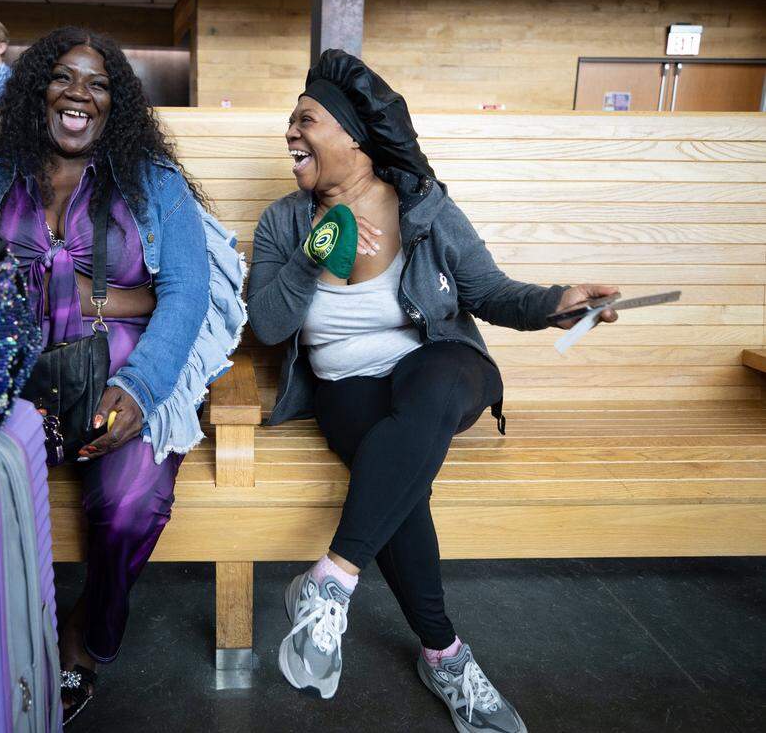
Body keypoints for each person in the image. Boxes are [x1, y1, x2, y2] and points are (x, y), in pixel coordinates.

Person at [247, 49, 618, 733]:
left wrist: (556, 303)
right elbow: (268, 323)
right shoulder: (285, 223)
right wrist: (312, 255)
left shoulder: (422, 206)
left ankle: (333, 577)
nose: (290, 133)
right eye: (290, 121)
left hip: (434, 367)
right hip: (348, 387)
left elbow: (489, 291)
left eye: (306, 119)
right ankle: (445, 654)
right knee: (398, 475)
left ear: (353, 134)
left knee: (442, 381)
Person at [0, 27, 245, 725]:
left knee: (133, 500)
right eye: (63, 77)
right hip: (11, 381)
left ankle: (91, 633)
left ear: (118, 105)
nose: (80, 93)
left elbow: (188, 295)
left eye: (98, 83)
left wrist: (141, 387)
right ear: (35, 91)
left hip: (122, 377)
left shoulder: (154, 183)